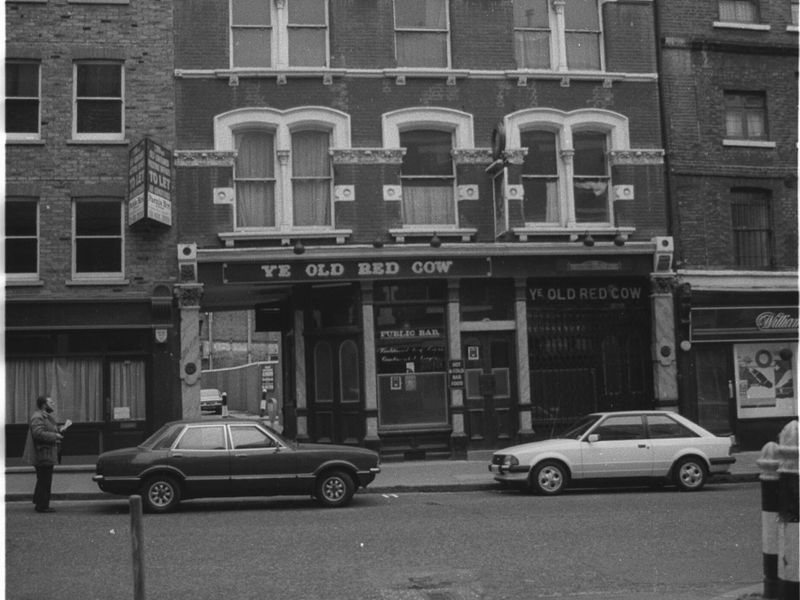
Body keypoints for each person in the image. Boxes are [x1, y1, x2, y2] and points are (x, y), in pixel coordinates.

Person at [23, 396, 65, 513]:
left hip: (45, 452)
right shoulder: (37, 417)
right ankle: (42, 506)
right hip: (42, 453)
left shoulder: (46, 417)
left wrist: (61, 429)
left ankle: (39, 502)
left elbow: (49, 430)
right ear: (43, 405)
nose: (53, 404)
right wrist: (55, 436)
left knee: (42, 479)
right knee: (45, 479)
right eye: (51, 402)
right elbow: (38, 434)